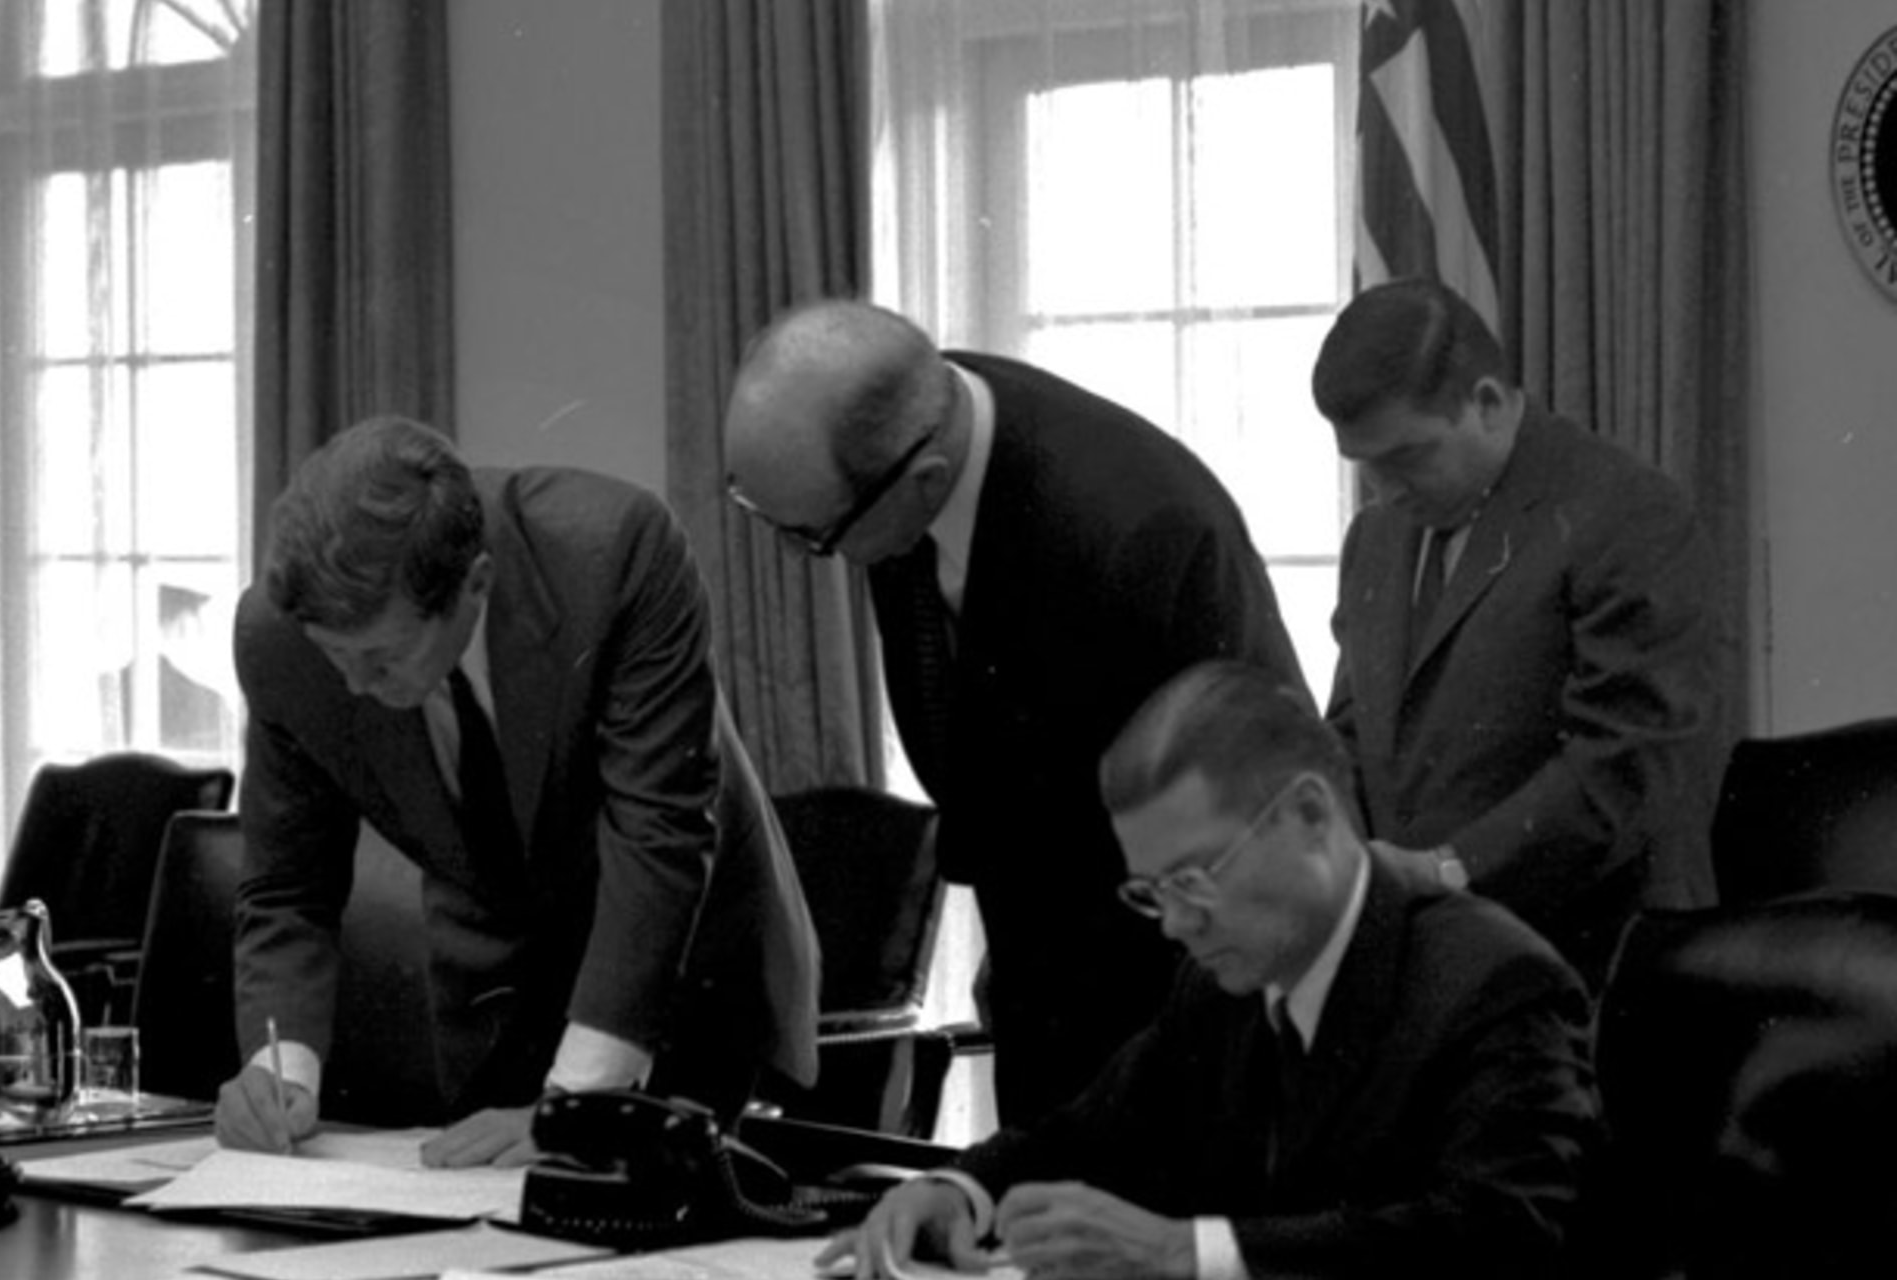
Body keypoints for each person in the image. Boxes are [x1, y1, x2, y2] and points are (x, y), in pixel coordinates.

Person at [722, 300, 1306, 1126]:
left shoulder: (1137, 531)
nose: (800, 558)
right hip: (1045, 959)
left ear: (924, 481)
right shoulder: (907, 417)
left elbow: (1249, 824)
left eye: (811, 537)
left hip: (1189, 982)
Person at [821, 661, 1599, 1280]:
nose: (1177, 925)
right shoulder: (1225, 982)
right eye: (1152, 892)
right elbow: (1092, 1131)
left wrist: (1184, 1255)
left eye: (1194, 881)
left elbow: (1497, 1239)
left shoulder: (1492, 983)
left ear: (1310, 816)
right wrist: (958, 1190)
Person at [217, 416, 819, 1166]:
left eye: (380, 658)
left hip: (683, 975)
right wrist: (279, 1072)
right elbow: (287, 887)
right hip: (499, 989)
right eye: (336, 655)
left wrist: (576, 1109)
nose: (353, 687)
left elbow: (659, 837)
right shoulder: (278, 640)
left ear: (474, 583)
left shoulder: (613, 553)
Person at [1311, 277, 1720, 988]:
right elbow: (1352, 732)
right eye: (1366, 467)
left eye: (1405, 458)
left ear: (1490, 405)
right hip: (1431, 974)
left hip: (1594, 977)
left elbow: (1624, 766)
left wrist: (1448, 871)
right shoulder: (1376, 537)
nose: (1384, 491)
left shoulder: (1627, 513)